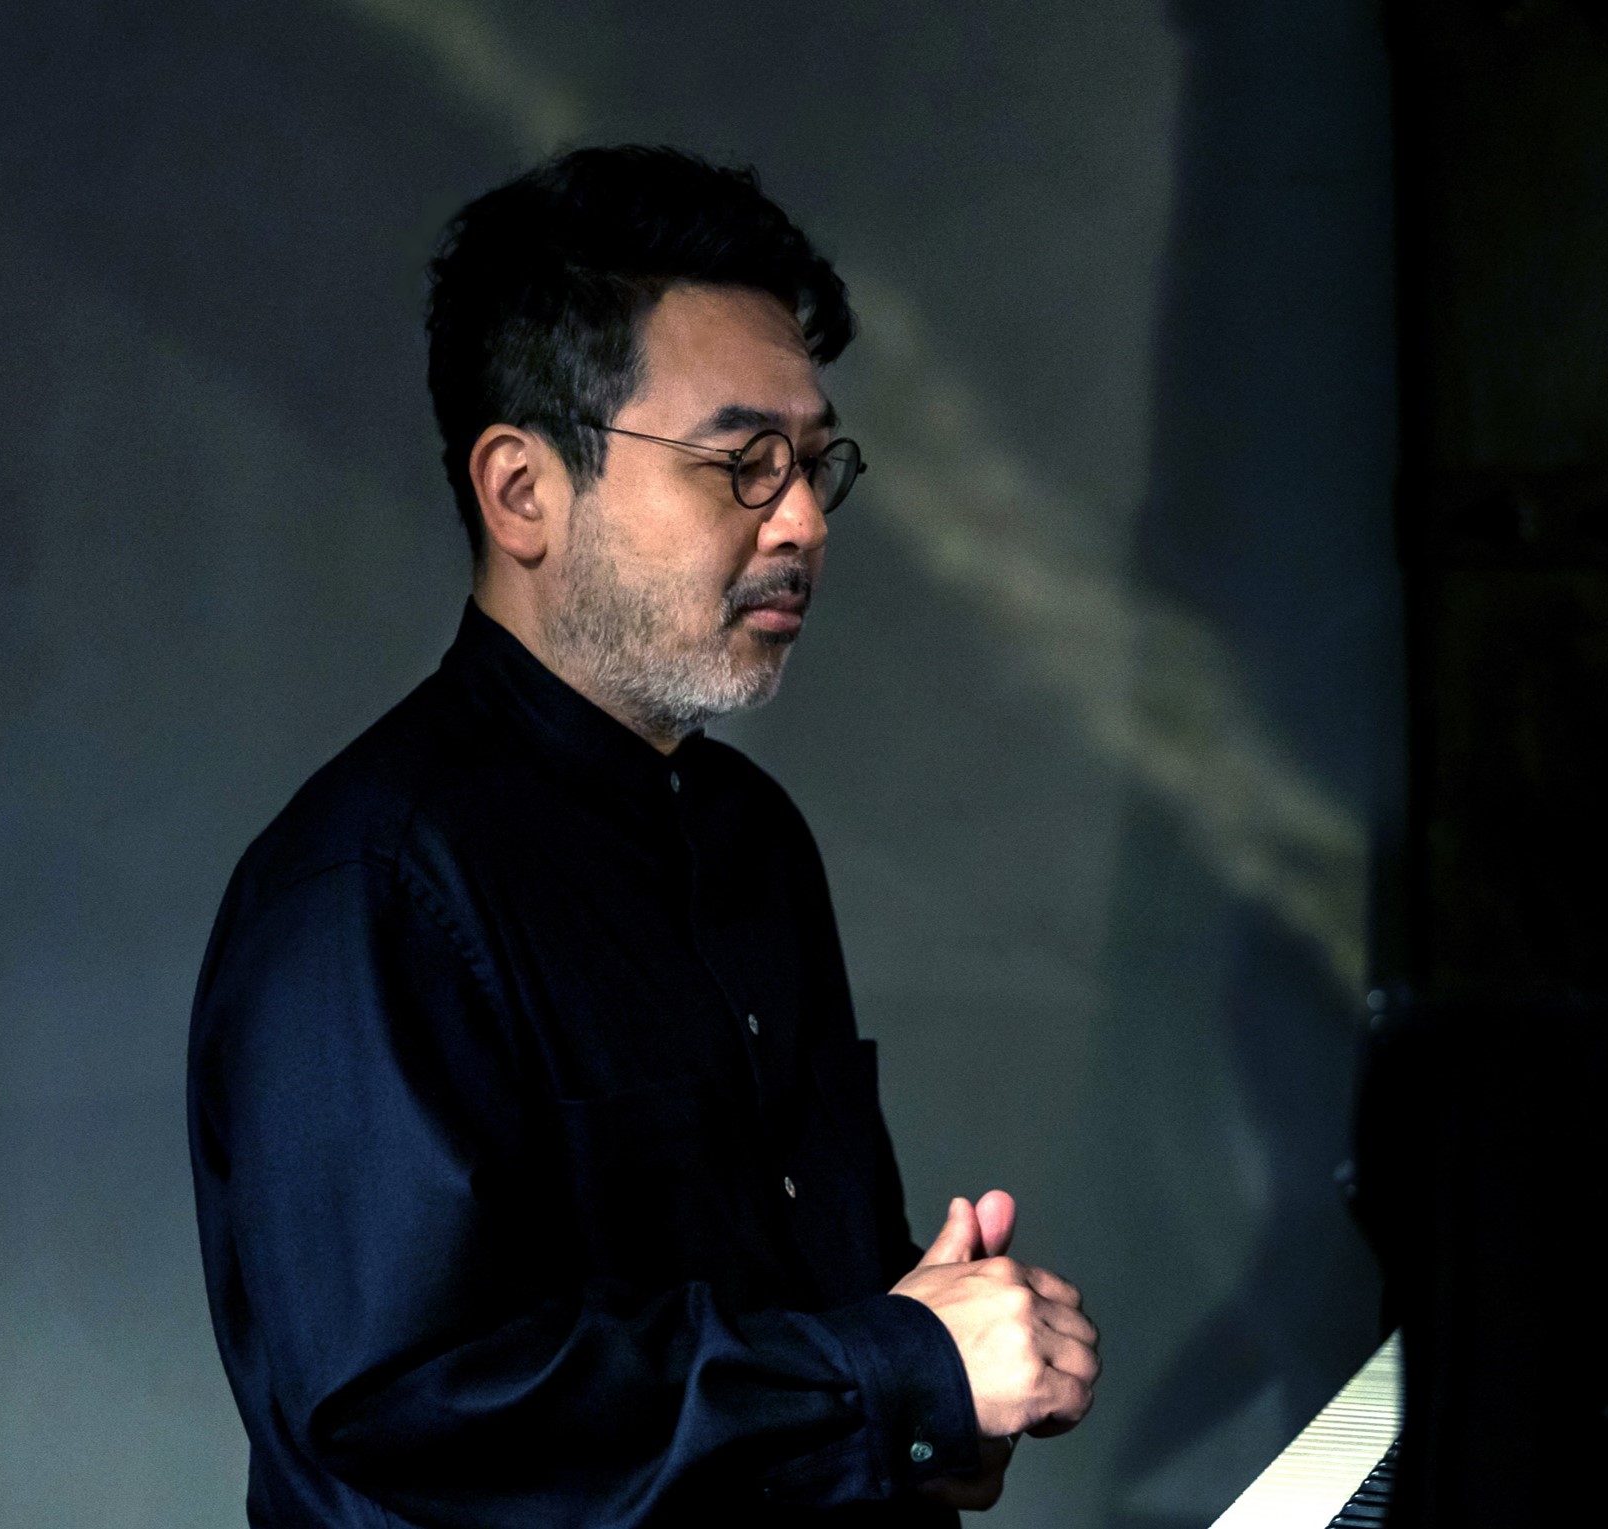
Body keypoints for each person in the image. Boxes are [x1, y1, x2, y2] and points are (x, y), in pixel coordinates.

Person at [186, 145, 1100, 1527]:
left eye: (813, 462)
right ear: (521, 491)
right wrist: (892, 1372)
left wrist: (926, 1418)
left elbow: (812, 1362)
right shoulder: (369, 887)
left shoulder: (755, 841)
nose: (803, 519)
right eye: (740, 463)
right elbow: (413, 1411)